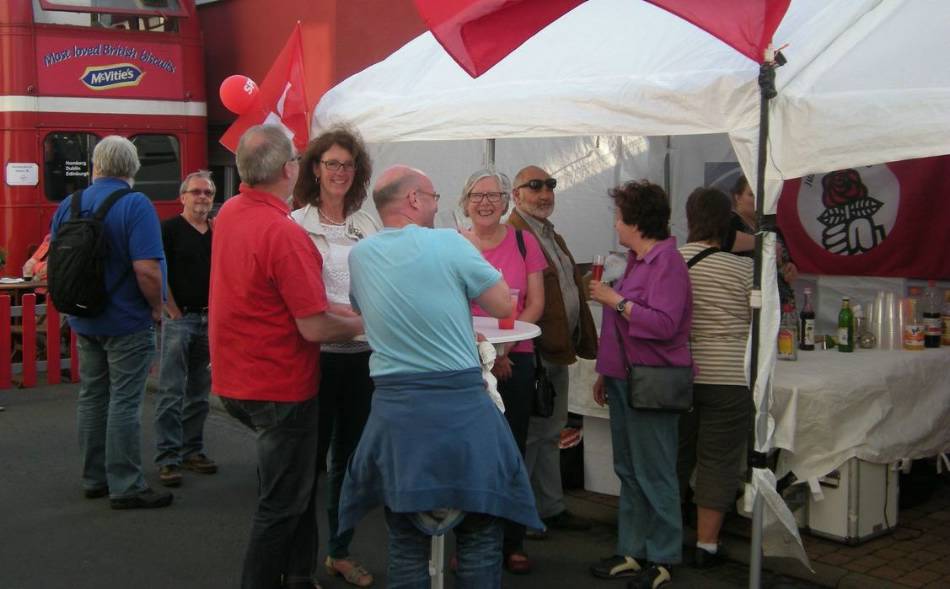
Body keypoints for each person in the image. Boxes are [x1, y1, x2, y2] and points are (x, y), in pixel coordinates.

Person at [339, 165, 543, 589]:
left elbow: (369, 308)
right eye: (432, 196)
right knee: (480, 537)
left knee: (407, 544)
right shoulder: (451, 243)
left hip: (396, 419)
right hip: (461, 415)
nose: (436, 204)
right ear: (413, 199)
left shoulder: (359, 256)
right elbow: (504, 305)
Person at [209, 125, 363, 589]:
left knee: (292, 492)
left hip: (237, 378)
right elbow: (313, 324)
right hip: (279, 386)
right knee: (281, 504)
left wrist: (352, 314)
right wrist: (368, 324)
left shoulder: (232, 212)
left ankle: (298, 576)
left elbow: (298, 304)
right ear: (290, 170)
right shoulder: (285, 233)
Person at [49, 135, 171, 509]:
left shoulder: (69, 204)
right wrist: (156, 307)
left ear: (96, 166)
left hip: (85, 318)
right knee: (124, 402)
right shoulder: (136, 204)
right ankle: (126, 485)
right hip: (126, 320)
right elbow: (147, 269)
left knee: (92, 397)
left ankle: (94, 477)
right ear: (132, 167)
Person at [587, 180, 692, 589]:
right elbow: (620, 331)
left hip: (652, 380)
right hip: (623, 377)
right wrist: (604, 371)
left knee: (655, 472)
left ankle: (663, 556)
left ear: (636, 220)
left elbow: (665, 324)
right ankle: (632, 550)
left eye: (618, 216)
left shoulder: (668, 263)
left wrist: (614, 300)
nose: (615, 224)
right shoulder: (636, 261)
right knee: (629, 469)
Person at [291, 127, 377, 588]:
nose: (340, 172)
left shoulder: (369, 224)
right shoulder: (295, 223)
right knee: (307, 461)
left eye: (347, 165)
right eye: (331, 164)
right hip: (314, 355)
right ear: (315, 169)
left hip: (363, 356)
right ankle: (298, 563)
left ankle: (339, 551)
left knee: (350, 459)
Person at [459, 167, 546, 574]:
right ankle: (468, 540)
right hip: (466, 362)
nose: (485, 202)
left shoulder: (526, 242)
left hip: (517, 359)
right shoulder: (455, 245)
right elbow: (450, 304)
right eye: (477, 196)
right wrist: (487, 354)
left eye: (494, 195)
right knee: (471, 453)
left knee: (512, 450)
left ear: (507, 201)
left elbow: (535, 305)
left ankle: (512, 541)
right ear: (465, 203)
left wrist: (504, 349)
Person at [507, 165, 597, 537]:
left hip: (556, 350)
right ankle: (524, 516)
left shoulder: (547, 233)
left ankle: (550, 506)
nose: (545, 193)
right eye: (535, 186)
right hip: (534, 351)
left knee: (549, 432)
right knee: (532, 434)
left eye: (550, 185)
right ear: (516, 194)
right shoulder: (514, 234)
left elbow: (557, 287)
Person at [677, 188, 754, 568]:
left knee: (676, 454)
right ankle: (707, 544)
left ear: (689, 218)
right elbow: (760, 322)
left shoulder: (670, 262)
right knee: (719, 460)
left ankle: (667, 533)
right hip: (729, 374)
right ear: (727, 221)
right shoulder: (743, 268)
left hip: (680, 371)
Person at [153, 170, 217, 487]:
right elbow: (156, 269)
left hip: (210, 321)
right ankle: (168, 458)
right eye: (196, 192)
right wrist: (171, 308)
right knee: (171, 391)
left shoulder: (217, 231)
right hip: (181, 320)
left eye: (207, 193)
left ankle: (193, 450)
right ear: (183, 197)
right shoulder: (169, 230)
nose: (202, 197)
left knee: (199, 393)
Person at [725, 174, 798, 304]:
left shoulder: (772, 228)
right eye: (751, 195)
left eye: (761, 195)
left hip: (780, 301)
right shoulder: (730, 221)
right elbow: (726, 241)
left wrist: (790, 268)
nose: (758, 199)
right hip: (746, 301)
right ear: (737, 197)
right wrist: (764, 244)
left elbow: (787, 261)